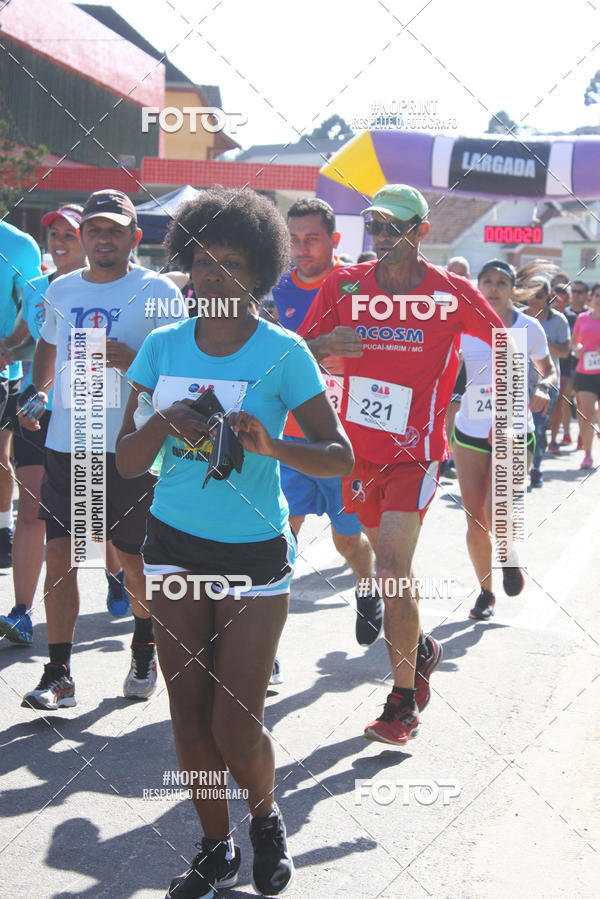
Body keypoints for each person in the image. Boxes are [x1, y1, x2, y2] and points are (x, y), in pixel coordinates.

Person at [116, 186, 354, 898]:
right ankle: (215, 847)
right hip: (174, 547)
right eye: (201, 261)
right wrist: (165, 422)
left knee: (235, 718)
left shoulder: (284, 354)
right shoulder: (161, 346)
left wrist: (271, 443)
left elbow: (337, 454)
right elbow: (128, 461)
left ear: (259, 272)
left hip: (254, 556)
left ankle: (265, 818)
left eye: (231, 262)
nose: (213, 276)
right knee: (186, 712)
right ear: (185, 263)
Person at [298, 184, 507, 745]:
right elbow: (298, 348)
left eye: (396, 227)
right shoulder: (345, 285)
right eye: (377, 227)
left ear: (421, 232)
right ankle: (421, 649)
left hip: (416, 454)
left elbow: (502, 343)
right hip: (355, 452)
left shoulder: (450, 292)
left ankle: (401, 703)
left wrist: (496, 405)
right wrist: (323, 346)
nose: (384, 237)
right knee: (390, 570)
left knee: (391, 567)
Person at [19, 189, 183, 710]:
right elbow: (48, 344)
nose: (104, 238)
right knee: (61, 553)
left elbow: (180, 375)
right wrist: (38, 392)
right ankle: (59, 672)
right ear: (84, 236)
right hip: (71, 442)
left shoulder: (159, 291)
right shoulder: (62, 289)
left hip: (131, 446)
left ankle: (144, 645)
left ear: (135, 237)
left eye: (115, 230)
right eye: (95, 229)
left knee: (133, 560)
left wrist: (134, 359)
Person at [0, 205, 131, 647]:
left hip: (94, 418)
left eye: (68, 235)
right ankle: (21, 612)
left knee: (97, 524)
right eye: (53, 234)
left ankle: (117, 576)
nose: (59, 243)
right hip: (41, 414)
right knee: (35, 512)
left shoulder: (126, 290)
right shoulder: (40, 287)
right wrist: (25, 377)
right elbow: (25, 341)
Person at [272, 199, 377, 647]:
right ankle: (265, 650)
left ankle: (368, 587)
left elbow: (389, 353)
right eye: (294, 240)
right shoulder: (275, 290)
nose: (301, 248)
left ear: (335, 240)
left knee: (347, 544)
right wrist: (318, 346)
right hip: (291, 441)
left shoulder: (361, 286)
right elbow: (272, 357)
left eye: (312, 239)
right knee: (278, 543)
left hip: (345, 446)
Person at [453, 260, 556, 619]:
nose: (493, 288)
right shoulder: (463, 326)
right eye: (487, 281)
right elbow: (444, 368)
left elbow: (549, 369)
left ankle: (508, 555)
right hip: (469, 431)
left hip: (513, 430)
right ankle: (485, 593)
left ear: (513, 288)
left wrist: (543, 385)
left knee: (495, 511)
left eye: (501, 281)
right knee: (474, 520)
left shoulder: (529, 328)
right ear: (477, 286)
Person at [0, 220, 42, 567]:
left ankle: (2, 532)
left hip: (3, 371)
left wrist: (9, 346)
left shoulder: (18, 244)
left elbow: (34, 310)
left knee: (0, 453)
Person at [525, 275, 570, 486]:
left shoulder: (558, 321)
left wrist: (543, 340)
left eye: (539, 295)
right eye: (530, 295)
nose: (534, 300)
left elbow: (565, 351)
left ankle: (535, 468)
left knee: (538, 427)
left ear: (547, 298)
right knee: (522, 428)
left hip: (547, 384)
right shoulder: (516, 319)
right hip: (518, 383)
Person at [550, 280, 590, 450]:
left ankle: (582, 434)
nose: (576, 295)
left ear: (586, 295)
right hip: (565, 364)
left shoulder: (586, 316)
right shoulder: (563, 315)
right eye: (574, 291)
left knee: (581, 401)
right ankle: (566, 432)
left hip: (582, 365)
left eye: (580, 292)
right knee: (564, 399)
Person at [572, 282, 600, 468]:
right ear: (591, 297)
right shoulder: (582, 318)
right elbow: (574, 342)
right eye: (597, 295)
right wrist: (577, 349)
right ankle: (588, 455)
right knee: (588, 413)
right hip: (585, 373)